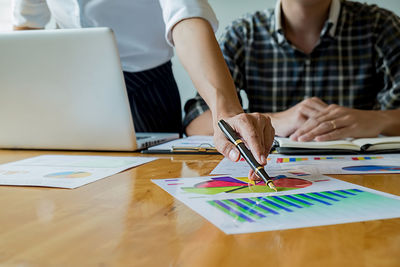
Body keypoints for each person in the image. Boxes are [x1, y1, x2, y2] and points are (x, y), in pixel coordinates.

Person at [12, 0, 275, 166]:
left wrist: (226, 112)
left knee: (148, 205)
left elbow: (186, 15)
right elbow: (26, 27)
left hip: (146, 87)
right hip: (69, 88)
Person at [184, 0, 400, 142]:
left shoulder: (381, 27)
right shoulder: (243, 34)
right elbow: (195, 123)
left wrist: (377, 120)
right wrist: (274, 121)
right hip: (274, 175)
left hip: (365, 173)